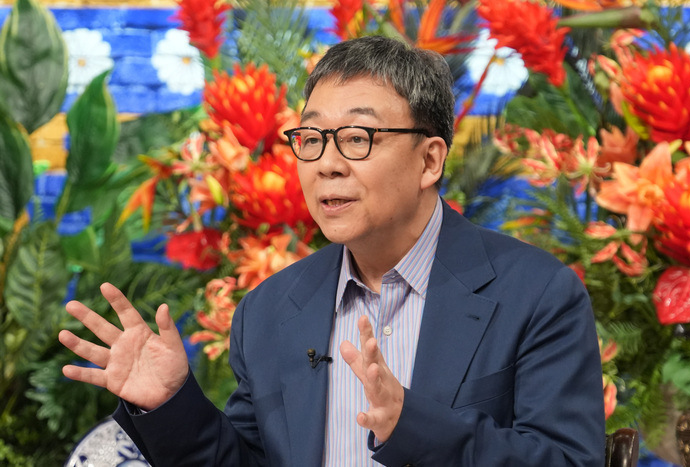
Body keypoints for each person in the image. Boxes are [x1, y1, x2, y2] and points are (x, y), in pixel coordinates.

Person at [59, 35, 605, 466]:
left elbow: (567, 460)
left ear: (430, 161)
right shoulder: (269, 311)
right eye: (313, 138)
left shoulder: (536, 294)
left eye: (358, 138)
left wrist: (414, 426)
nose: (327, 164)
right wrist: (172, 405)